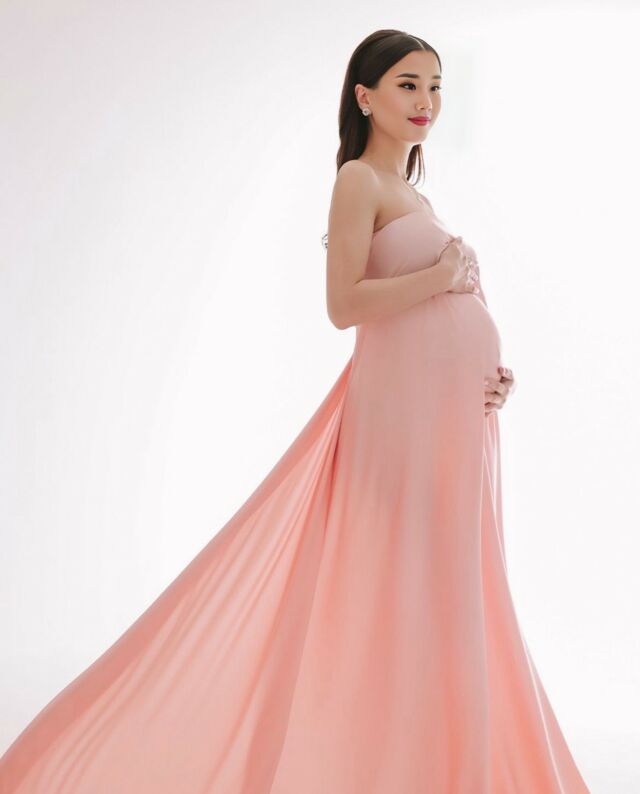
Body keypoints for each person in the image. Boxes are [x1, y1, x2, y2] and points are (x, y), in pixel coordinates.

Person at [0, 29, 591, 793]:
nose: (427, 102)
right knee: (407, 587)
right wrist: (442, 279)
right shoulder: (358, 181)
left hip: (455, 424)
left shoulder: (418, 196)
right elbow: (344, 305)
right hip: (402, 421)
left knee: (453, 591)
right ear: (365, 96)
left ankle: (437, 763)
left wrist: (491, 373)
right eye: (408, 85)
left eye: (436, 86)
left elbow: (439, 312)